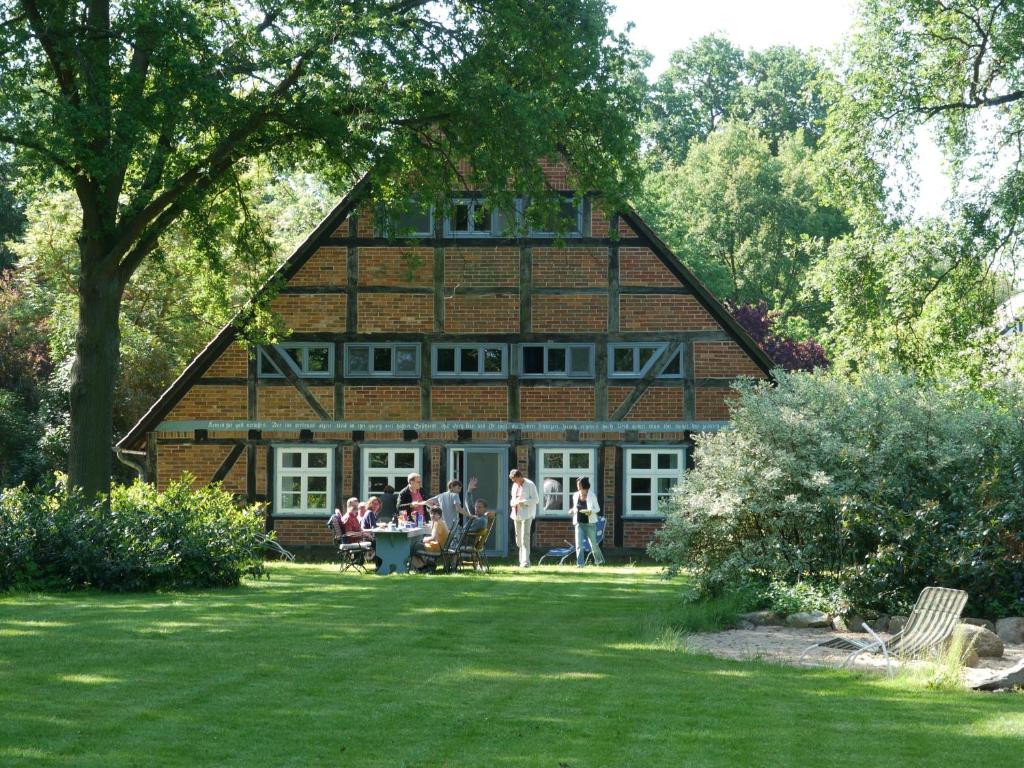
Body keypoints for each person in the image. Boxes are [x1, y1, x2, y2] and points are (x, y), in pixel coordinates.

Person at [569, 476, 605, 567]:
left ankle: (599, 561)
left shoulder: (592, 495)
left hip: (590, 523)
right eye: (577, 484)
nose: (578, 486)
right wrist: (572, 510)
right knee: (579, 545)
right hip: (579, 523)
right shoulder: (575, 495)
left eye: (579, 484)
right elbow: (575, 507)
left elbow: (597, 509)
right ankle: (580, 564)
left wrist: (590, 511)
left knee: (593, 544)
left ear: (584, 485)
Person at [509, 468, 539, 568]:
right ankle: (523, 560)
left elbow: (536, 500)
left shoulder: (530, 484)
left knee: (524, 538)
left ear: (520, 477)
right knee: (518, 540)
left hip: (527, 514)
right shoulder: (514, 486)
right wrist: (513, 503)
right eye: (513, 480)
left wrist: (524, 502)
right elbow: (512, 500)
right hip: (516, 515)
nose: (514, 482)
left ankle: (525, 562)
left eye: (515, 480)